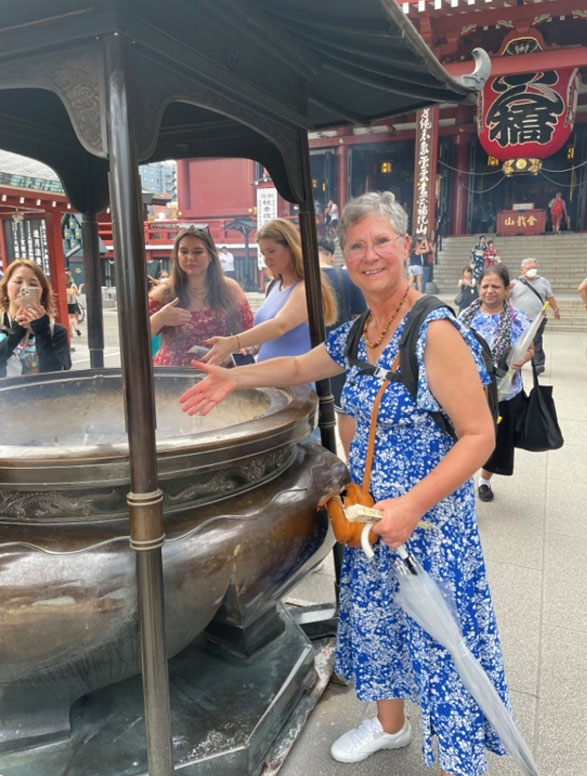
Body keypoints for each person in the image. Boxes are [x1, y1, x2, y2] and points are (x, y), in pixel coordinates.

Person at [180, 191, 511, 776]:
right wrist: (235, 378)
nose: (370, 255)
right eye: (356, 245)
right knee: (378, 619)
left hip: (427, 522)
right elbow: (299, 366)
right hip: (370, 517)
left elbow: (478, 436)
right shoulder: (362, 330)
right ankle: (390, 725)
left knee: (440, 638)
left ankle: (459, 761)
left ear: (407, 245)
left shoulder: (434, 330)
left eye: (382, 241)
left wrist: (410, 505)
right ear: (344, 257)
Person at [202, 218, 337, 367]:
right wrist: (247, 348)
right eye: (263, 253)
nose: (267, 260)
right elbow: (267, 338)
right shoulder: (274, 285)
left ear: (291, 248)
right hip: (269, 379)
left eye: (271, 251)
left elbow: (279, 326)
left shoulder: (304, 288)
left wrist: (233, 342)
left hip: (296, 382)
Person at [459, 265, 532, 503]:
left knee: (495, 440)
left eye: (496, 286)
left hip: (504, 392)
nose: (490, 291)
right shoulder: (463, 317)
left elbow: (530, 349)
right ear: (478, 288)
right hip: (468, 391)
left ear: (507, 289)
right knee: (462, 440)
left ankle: (484, 480)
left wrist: (524, 357)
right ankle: (457, 482)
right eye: (485, 286)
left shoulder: (518, 319)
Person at [148, 227, 253, 367]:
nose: (190, 258)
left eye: (198, 252)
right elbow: (134, 339)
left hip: (220, 371)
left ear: (210, 256)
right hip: (173, 375)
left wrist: (233, 350)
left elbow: (251, 334)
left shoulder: (230, 289)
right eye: (184, 252)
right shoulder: (163, 293)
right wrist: (159, 318)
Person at [317, 236, 366, 455]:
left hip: (307, 355)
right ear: (331, 256)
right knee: (343, 411)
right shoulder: (347, 277)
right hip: (339, 354)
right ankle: (349, 461)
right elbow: (360, 318)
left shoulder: (301, 280)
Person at [0, 259, 71, 378]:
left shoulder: (56, 331)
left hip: (42, 395)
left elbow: (58, 376)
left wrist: (43, 333)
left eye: (33, 284)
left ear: (42, 291)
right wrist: (15, 334)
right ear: (6, 288)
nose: (25, 288)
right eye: (18, 281)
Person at [509, 258, 560, 375]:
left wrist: (556, 310)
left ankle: (538, 364)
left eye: (534, 268)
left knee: (536, 340)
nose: (533, 270)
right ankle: (516, 361)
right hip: (519, 320)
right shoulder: (514, 283)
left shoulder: (543, 282)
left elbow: (550, 297)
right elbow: (506, 297)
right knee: (519, 342)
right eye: (529, 268)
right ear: (522, 270)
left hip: (538, 318)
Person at [65, 270, 82, 338]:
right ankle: (76, 328)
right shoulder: (73, 285)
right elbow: (78, 294)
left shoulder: (63, 285)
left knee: (68, 318)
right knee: (73, 317)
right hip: (73, 302)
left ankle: (70, 332)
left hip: (66, 303)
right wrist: (80, 287)